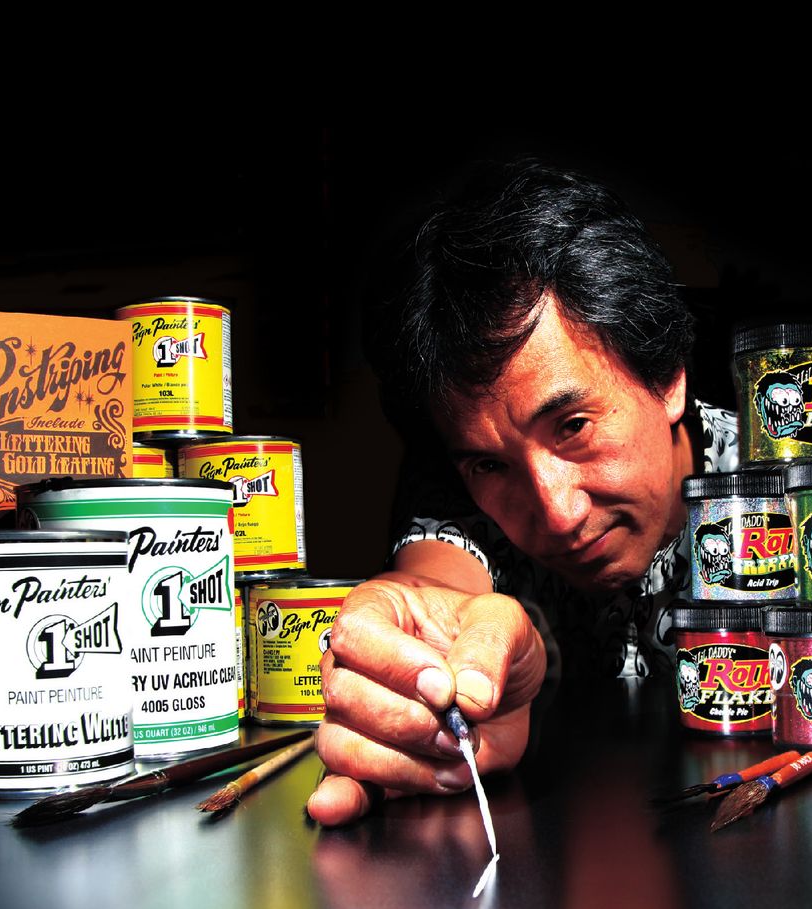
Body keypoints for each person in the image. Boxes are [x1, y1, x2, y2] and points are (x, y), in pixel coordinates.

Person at [307, 161, 737, 826]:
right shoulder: (457, 496)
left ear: (668, 377)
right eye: (491, 465)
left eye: (573, 426)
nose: (557, 515)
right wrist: (423, 669)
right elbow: (439, 588)